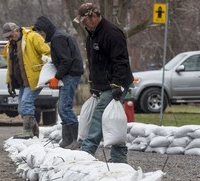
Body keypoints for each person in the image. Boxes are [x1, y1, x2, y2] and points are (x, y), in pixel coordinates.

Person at [73, 3, 134, 163]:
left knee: (100, 114)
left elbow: (120, 61)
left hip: (116, 82)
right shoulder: (91, 35)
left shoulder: (112, 33)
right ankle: (119, 158)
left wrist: (117, 85)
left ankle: (87, 151)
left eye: (85, 21)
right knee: (113, 119)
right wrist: (93, 82)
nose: (84, 25)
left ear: (94, 16)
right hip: (102, 84)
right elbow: (93, 62)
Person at [33, 16, 84, 148]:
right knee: (62, 109)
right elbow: (63, 59)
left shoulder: (58, 38)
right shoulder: (58, 36)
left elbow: (66, 60)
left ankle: (76, 139)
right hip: (68, 74)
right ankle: (67, 139)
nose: (41, 35)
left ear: (46, 29)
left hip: (70, 75)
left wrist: (56, 77)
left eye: (41, 32)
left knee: (64, 107)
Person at [1, 22, 51, 139]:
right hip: (23, 82)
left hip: (34, 78)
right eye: (7, 37)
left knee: (26, 103)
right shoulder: (10, 45)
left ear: (17, 31)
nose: (9, 38)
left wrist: (45, 70)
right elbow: (10, 66)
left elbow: (47, 53)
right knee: (21, 108)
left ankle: (27, 131)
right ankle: (34, 131)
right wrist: (10, 83)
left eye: (10, 35)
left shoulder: (32, 37)